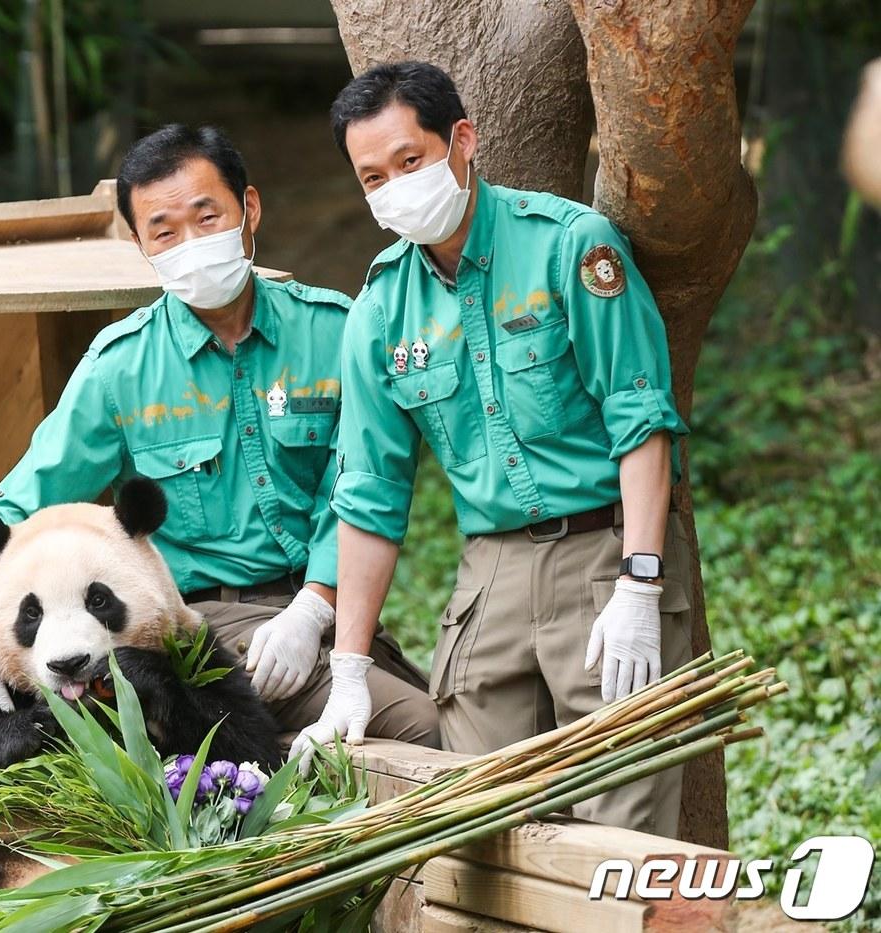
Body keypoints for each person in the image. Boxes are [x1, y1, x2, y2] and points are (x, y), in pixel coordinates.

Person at [0, 124, 440, 751]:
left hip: (323, 610)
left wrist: (314, 607)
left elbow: (356, 485)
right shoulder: (121, 367)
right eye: (165, 231)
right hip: (195, 626)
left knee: (429, 715)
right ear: (140, 243)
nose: (190, 244)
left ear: (248, 210)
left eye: (207, 218)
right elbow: (18, 505)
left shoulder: (334, 331)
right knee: (419, 730)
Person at [296, 61, 692, 837]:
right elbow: (370, 494)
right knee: (480, 829)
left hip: (603, 552)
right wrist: (348, 671)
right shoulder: (379, 311)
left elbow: (639, 416)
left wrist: (640, 582)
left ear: (463, 141)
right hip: (491, 577)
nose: (394, 188)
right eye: (372, 177)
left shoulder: (569, 246)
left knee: (624, 824)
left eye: (410, 161)